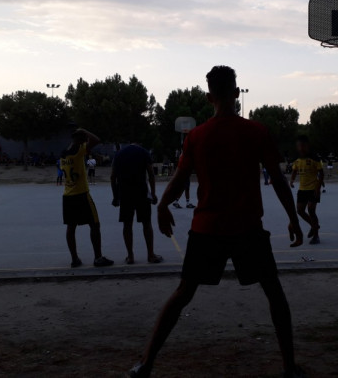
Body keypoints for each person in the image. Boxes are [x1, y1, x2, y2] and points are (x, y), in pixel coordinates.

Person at [128, 66, 304, 378]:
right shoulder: (257, 131)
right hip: (248, 227)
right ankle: (290, 367)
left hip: (207, 229)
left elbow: (181, 178)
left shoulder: (196, 136)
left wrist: (163, 205)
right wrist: (294, 219)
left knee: (183, 294)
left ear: (209, 97)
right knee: (274, 294)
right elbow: (278, 180)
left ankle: (146, 364)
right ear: (237, 93)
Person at [60, 129, 114, 268]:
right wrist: (83, 130)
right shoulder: (79, 151)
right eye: (83, 139)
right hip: (81, 194)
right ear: (79, 140)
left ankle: (75, 259)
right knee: (95, 225)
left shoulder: (64, 154)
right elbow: (96, 139)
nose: (85, 142)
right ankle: (98, 257)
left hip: (68, 195)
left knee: (71, 228)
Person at [111, 143, 164, 265]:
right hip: (141, 192)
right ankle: (150, 255)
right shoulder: (144, 152)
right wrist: (153, 194)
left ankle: (130, 256)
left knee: (127, 225)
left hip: (125, 193)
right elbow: (151, 174)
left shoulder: (119, 155)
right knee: (146, 223)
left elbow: (113, 177)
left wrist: (115, 197)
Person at [290, 136, 324, 245]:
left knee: (311, 210)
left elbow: (321, 174)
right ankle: (314, 227)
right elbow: (295, 170)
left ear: (307, 146)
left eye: (303, 145)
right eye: (299, 146)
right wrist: (292, 180)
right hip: (302, 189)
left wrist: (318, 189)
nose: (301, 148)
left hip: (313, 189)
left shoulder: (315, 158)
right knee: (300, 211)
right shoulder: (297, 159)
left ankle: (316, 236)